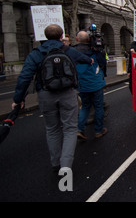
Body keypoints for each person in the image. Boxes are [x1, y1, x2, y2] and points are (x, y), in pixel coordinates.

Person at [12, 24, 93, 173]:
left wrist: (18, 99)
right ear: (62, 36)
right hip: (68, 93)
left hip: (45, 94)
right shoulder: (69, 50)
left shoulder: (36, 53)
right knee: (69, 129)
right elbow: (87, 60)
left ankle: (55, 162)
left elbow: (24, 77)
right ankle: (66, 165)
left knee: (52, 129)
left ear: (45, 35)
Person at [75, 31, 107, 140]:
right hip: (95, 83)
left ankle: (80, 129)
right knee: (98, 107)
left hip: (82, 84)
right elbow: (103, 63)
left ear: (77, 39)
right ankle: (98, 130)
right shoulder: (94, 50)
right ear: (89, 40)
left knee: (85, 107)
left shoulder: (73, 51)